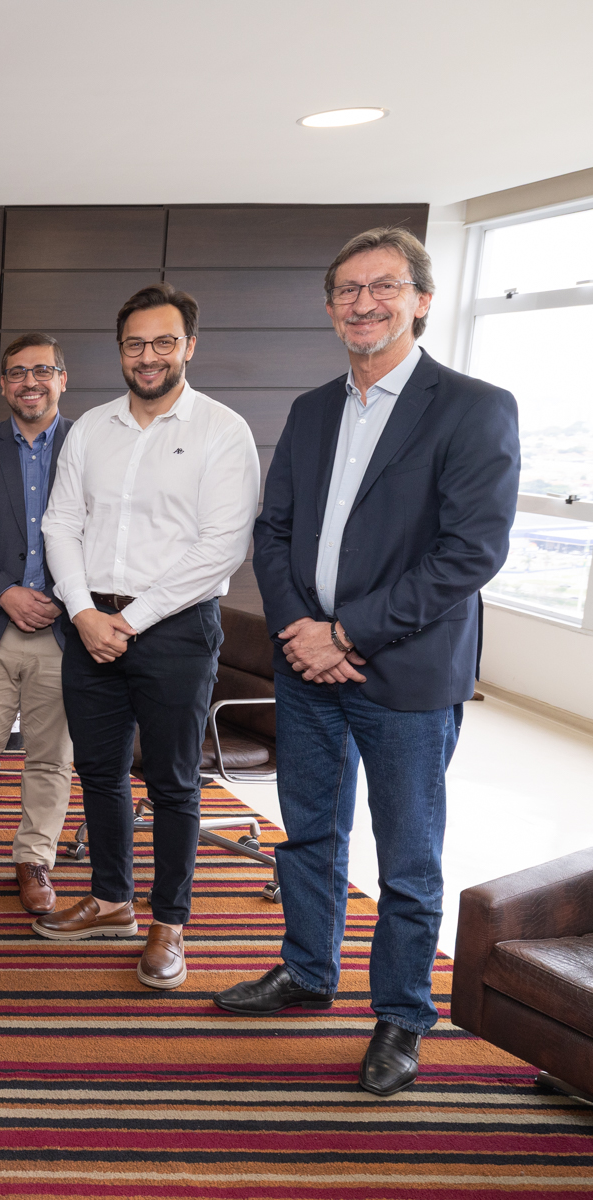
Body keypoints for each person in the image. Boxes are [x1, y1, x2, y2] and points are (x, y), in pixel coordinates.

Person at [222, 227, 520, 1096]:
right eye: (348, 290)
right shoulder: (313, 409)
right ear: (330, 308)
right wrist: (298, 631)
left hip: (405, 674)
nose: (364, 303)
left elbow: (470, 551)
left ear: (421, 299)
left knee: (407, 858)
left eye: (383, 286)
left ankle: (401, 1014)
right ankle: (308, 970)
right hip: (306, 667)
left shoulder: (472, 406)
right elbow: (273, 532)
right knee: (309, 832)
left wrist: (345, 635)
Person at [36, 284, 260, 990]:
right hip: (89, 624)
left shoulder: (223, 429)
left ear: (189, 345)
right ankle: (111, 900)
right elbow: (60, 524)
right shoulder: (90, 428)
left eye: (164, 341)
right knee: (99, 772)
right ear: (120, 350)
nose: (149, 356)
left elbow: (221, 547)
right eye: (135, 343)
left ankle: (169, 922)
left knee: (172, 781)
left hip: (176, 629)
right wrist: (82, 612)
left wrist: (130, 621)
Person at [0, 333, 75, 915]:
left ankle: (34, 860)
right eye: (18, 373)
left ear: (62, 379)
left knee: (51, 755)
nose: (31, 382)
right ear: (3, 385)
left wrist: (63, 598)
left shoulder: (90, 445)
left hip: (64, 629)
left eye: (42, 371)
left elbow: (105, 535)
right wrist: (5, 592)